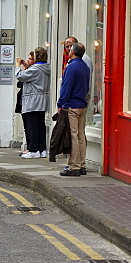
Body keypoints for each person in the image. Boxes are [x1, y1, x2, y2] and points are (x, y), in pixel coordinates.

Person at [57, 42, 90, 176]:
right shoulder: (85, 67)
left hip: (72, 105)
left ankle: (74, 167)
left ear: (73, 52)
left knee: (73, 136)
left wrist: (60, 103)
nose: (68, 50)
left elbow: (66, 87)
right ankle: (82, 164)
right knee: (81, 135)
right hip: (82, 104)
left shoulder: (71, 67)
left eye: (70, 49)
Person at [15, 47, 50, 158]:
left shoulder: (35, 69)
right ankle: (42, 149)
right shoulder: (46, 67)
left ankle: (34, 150)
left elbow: (20, 76)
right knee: (40, 125)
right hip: (42, 99)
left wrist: (17, 66)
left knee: (33, 126)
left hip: (33, 100)